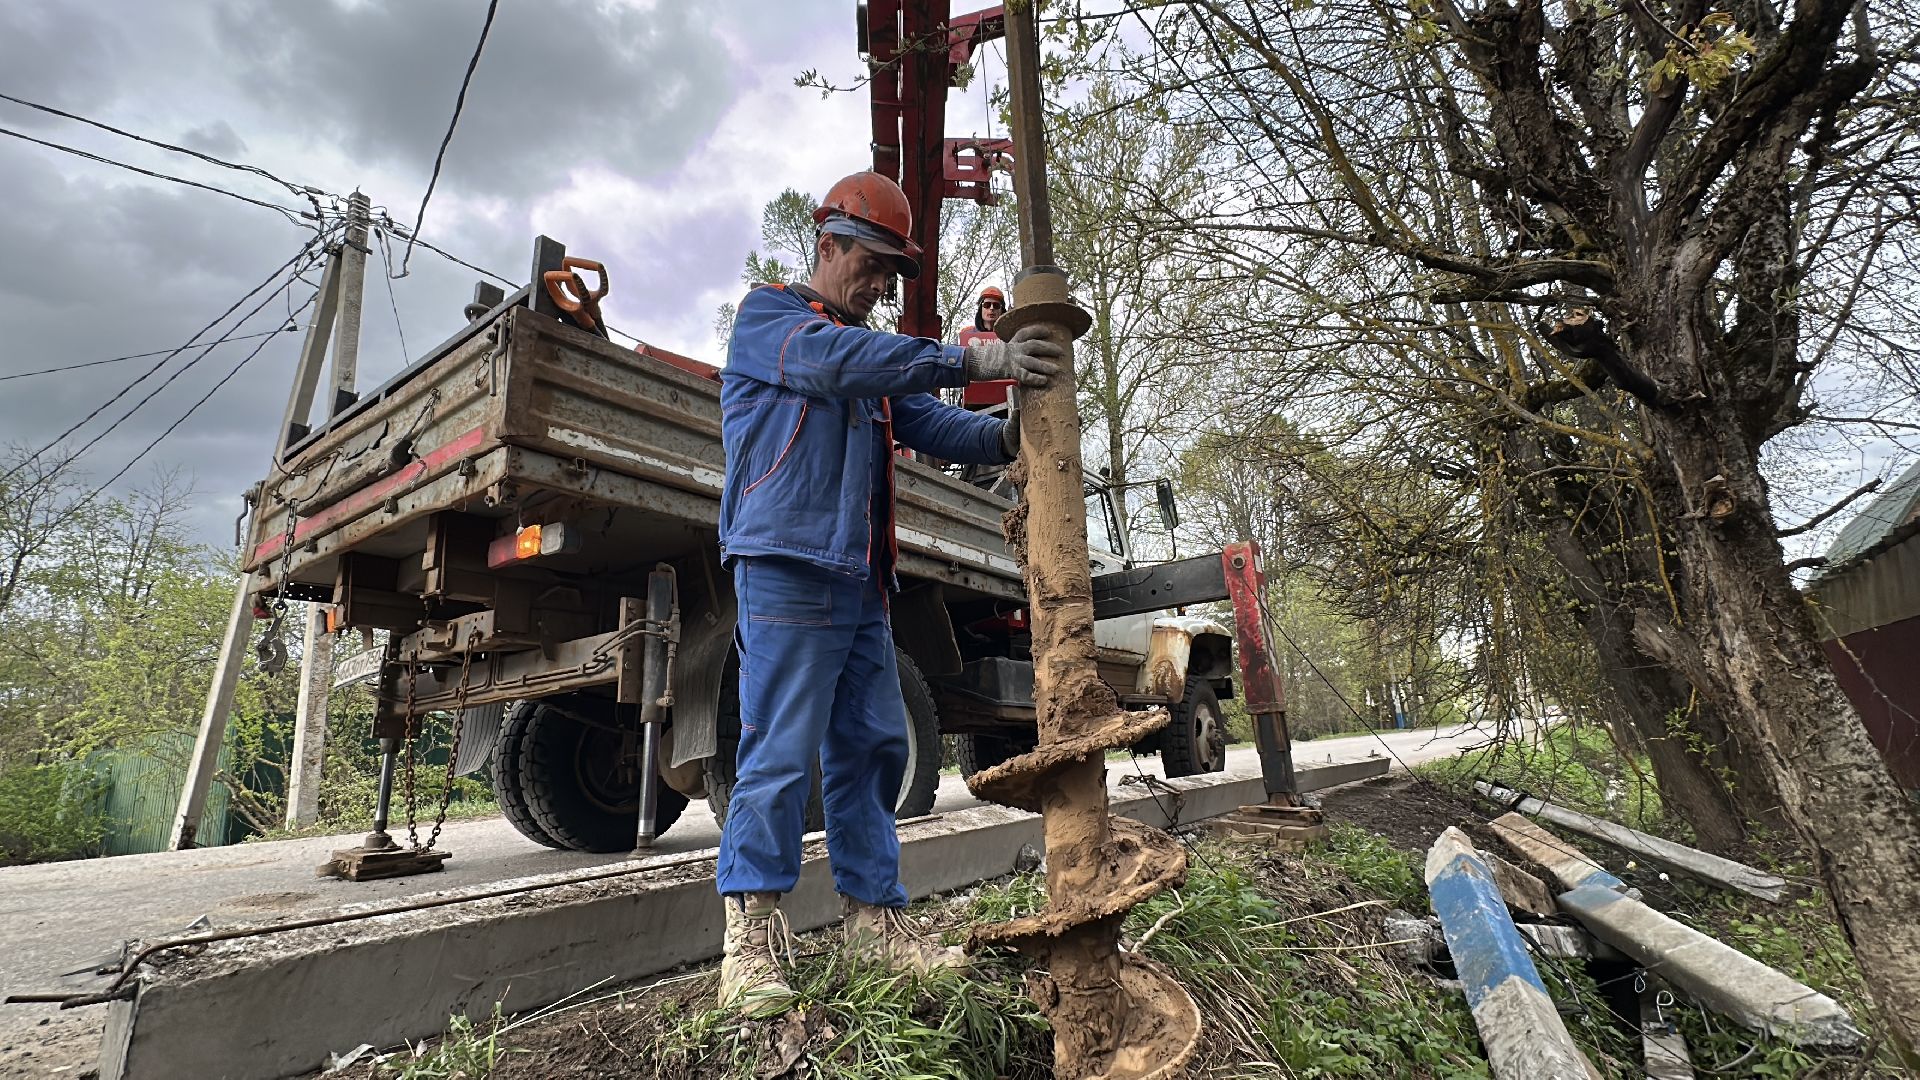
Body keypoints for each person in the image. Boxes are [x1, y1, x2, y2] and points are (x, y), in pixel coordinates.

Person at [714, 170, 1064, 1013]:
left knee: (873, 748)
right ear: (826, 245)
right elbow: (840, 364)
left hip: (861, 577)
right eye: (870, 264)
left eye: (891, 273)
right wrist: (971, 356)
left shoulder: (865, 356)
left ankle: (874, 922)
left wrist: (1004, 433)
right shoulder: (773, 321)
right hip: (788, 565)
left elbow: (924, 419)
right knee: (779, 752)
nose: (880, 284)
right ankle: (750, 942)